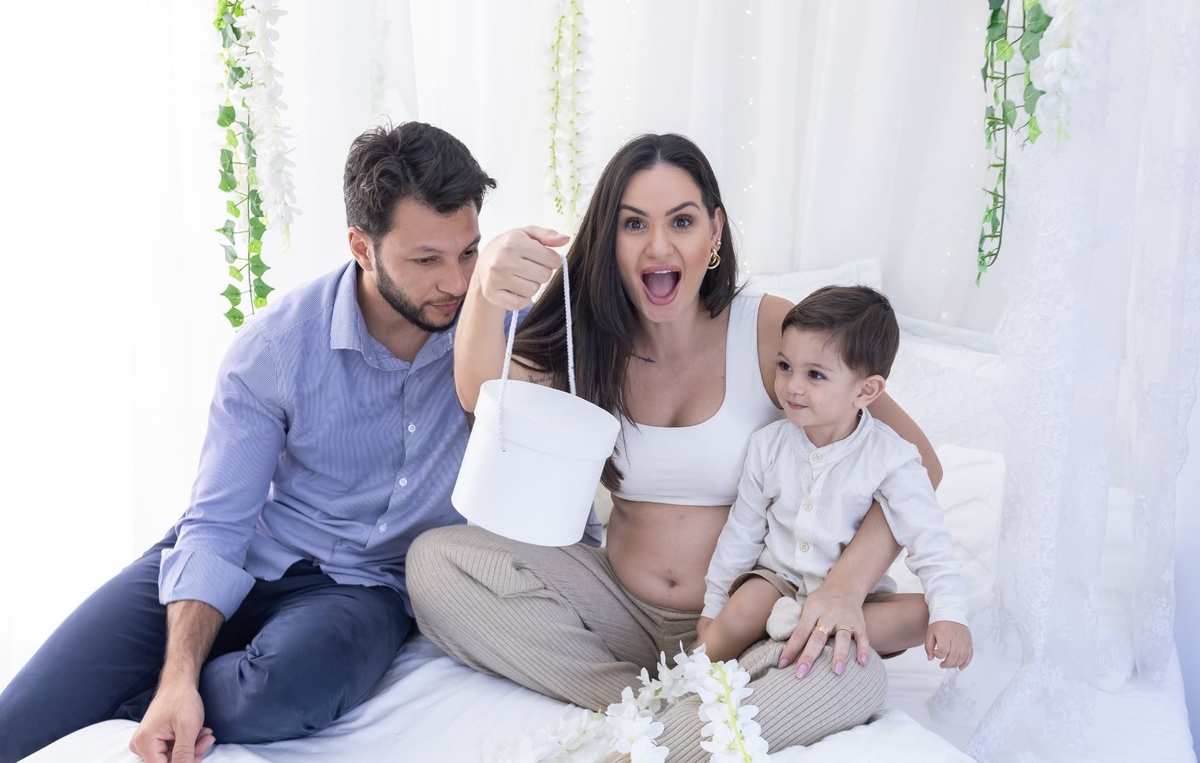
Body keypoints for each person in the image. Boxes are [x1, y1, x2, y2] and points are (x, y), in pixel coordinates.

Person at [407, 132, 944, 758]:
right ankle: (651, 704)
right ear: (610, 239)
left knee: (849, 674)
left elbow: (918, 464)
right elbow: (481, 395)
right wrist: (482, 295)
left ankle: (648, 744)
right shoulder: (591, 337)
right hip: (624, 613)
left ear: (714, 232)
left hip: (758, 619)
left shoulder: (772, 328)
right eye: (634, 223)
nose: (659, 245)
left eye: (682, 222)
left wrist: (844, 589)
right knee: (436, 564)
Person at [0, 121, 496, 763]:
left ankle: (146, 696)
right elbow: (217, 523)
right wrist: (178, 677)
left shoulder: (498, 334)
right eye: (426, 259)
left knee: (282, 693)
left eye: (468, 253)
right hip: (247, 548)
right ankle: (164, 684)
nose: (456, 282)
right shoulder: (275, 347)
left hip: (363, 589)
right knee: (18, 723)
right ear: (362, 247)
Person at [698, 285, 973, 672]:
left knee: (928, 616)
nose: (792, 386)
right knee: (741, 610)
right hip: (779, 580)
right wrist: (713, 611)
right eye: (784, 366)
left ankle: (804, 630)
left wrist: (950, 614)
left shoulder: (893, 457)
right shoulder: (768, 445)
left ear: (866, 391)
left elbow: (929, 539)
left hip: (855, 600)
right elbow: (740, 534)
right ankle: (692, 677)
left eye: (815, 375)